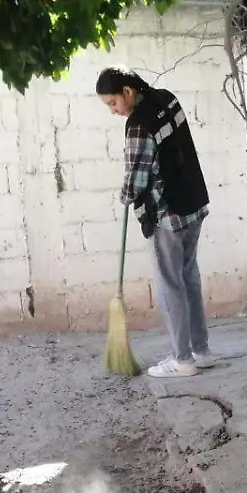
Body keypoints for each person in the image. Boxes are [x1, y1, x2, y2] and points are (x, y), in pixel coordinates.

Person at [97, 67, 215, 378]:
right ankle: (200, 350)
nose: (114, 111)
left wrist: (124, 195)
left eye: (113, 103)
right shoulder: (167, 99)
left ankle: (182, 359)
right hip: (194, 203)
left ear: (127, 91)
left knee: (170, 284)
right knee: (189, 277)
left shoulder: (138, 125)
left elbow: (136, 180)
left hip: (169, 215)